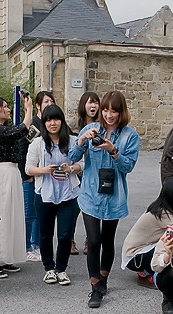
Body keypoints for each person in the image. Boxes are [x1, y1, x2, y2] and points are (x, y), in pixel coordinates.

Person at [69, 90, 140, 308]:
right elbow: (72, 157)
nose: (109, 115)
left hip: (113, 195)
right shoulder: (91, 129)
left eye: (114, 111)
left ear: (121, 112)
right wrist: (81, 140)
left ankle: (103, 280)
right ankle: (94, 288)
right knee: (94, 240)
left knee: (108, 239)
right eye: (106, 110)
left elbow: (128, 167)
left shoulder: (130, 136)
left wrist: (113, 150)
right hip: (90, 193)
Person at [25, 104, 82, 286]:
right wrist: (44, 170)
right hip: (44, 193)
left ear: (62, 121)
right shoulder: (38, 143)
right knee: (45, 233)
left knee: (65, 234)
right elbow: (28, 168)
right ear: (44, 123)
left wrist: (71, 168)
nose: (52, 123)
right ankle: (49, 268)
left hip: (68, 193)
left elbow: (83, 163)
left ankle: (61, 269)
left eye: (56, 119)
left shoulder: (73, 141)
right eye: (48, 120)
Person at [0, 93, 33, 278]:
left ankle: (6, 258)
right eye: (4, 107)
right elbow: (23, 128)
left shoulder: (3, 129)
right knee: (1, 215)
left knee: (12, 215)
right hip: (1, 174)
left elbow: (22, 134)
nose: (8, 109)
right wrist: (28, 109)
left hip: (12, 173)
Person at [121, 179, 173, 289]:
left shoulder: (166, 208)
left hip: (138, 253)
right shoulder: (163, 213)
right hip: (135, 258)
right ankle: (146, 273)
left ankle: (149, 271)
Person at [21, 91, 56, 263]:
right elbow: (23, 151)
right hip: (31, 175)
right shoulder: (34, 124)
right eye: (46, 101)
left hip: (47, 176)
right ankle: (29, 246)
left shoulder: (52, 122)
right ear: (37, 105)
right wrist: (26, 174)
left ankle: (37, 245)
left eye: (51, 101)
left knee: (41, 215)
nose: (49, 103)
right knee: (30, 214)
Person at [73, 91, 100, 256]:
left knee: (93, 208)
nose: (93, 106)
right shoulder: (75, 127)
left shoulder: (102, 126)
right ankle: (69, 239)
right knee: (73, 208)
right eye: (90, 102)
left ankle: (91, 240)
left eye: (96, 102)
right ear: (83, 105)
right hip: (76, 172)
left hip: (93, 173)